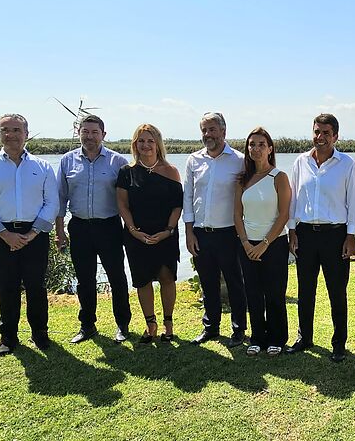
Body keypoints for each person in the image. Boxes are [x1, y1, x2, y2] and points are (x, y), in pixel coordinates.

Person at [0, 113, 59, 356]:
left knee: (36, 286)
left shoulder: (41, 167)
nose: (10, 135)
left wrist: (31, 234)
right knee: (7, 286)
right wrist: (5, 234)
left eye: (16, 130)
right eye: (5, 130)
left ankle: (40, 332)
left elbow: (51, 202)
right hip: (0, 234)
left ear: (26, 134)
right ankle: (8, 337)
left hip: (35, 233)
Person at [286, 113, 355, 363]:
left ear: (336, 136)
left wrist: (351, 236)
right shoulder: (300, 162)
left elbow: (354, 202)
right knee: (305, 291)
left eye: (326, 133)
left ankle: (339, 343)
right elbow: (294, 199)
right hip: (305, 233)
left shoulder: (347, 164)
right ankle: (304, 337)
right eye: (317, 131)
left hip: (336, 235)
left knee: (336, 291)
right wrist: (292, 231)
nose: (320, 137)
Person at [56, 114, 132, 344]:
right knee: (84, 280)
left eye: (94, 132)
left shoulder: (117, 162)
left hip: (109, 226)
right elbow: (60, 198)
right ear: (79, 133)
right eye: (85, 132)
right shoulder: (67, 161)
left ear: (103, 135)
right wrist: (60, 231)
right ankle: (87, 325)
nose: (89, 136)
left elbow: (128, 199)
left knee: (117, 277)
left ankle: (123, 325)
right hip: (79, 227)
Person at [183, 112, 247, 347]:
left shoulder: (239, 160)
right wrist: (189, 232)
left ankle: (239, 329)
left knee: (234, 282)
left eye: (212, 129)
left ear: (223, 131)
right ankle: (211, 327)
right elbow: (188, 196)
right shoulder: (193, 160)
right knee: (207, 282)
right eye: (204, 130)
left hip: (229, 233)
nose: (207, 135)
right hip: (201, 232)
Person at [116, 124, 182, 343]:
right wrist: (134, 231)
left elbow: (177, 206)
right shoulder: (127, 172)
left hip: (166, 235)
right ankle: (150, 324)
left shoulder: (171, 171)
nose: (145, 145)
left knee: (167, 277)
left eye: (150, 140)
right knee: (142, 280)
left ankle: (169, 325)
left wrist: (168, 231)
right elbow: (122, 205)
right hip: (137, 236)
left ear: (158, 143)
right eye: (141, 141)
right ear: (135, 144)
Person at [233, 127, 291, 356]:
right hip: (247, 245)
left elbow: (284, 214)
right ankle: (257, 336)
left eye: (260, 145)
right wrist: (247, 243)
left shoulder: (279, 177)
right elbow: (237, 215)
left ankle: (277, 337)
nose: (255, 149)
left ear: (270, 148)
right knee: (253, 293)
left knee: (275, 293)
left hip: (274, 244)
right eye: (251, 145)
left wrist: (265, 244)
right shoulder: (242, 180)